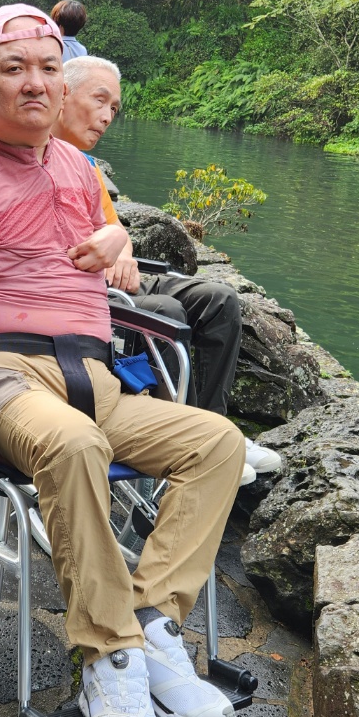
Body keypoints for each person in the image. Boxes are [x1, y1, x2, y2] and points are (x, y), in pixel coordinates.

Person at [0, 5, 244, 717]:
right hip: (6, 373)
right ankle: (109, 662)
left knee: (218, 443)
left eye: (48, 67)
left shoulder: (78, 170)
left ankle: (152, 622)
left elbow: (107, 246)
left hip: (93, 376)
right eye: (14, 69)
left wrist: (119, 236)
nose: (36, 83)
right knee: (73, 443)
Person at [55, 55, 283, 483]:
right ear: (62, 94)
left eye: (114, 109)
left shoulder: (86, 165)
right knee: (165, 312)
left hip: (121, 276)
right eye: (99, 101)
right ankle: (193, 438)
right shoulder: (38, 157)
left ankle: (215, 424)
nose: (107, 117)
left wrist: (122, 247)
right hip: (79, 288)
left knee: (219, 299)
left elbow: (113, 226)